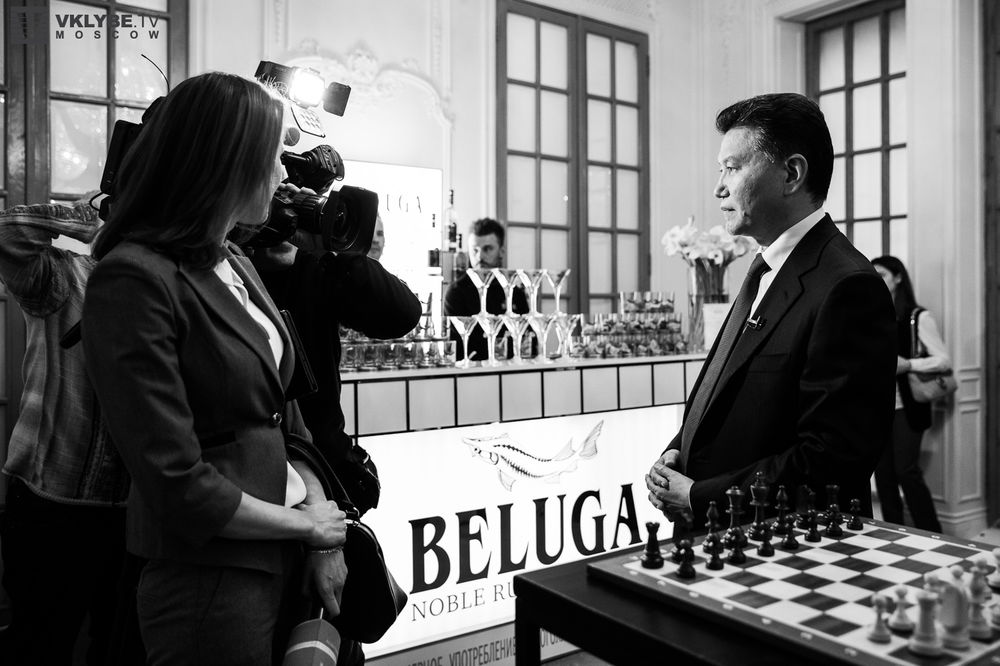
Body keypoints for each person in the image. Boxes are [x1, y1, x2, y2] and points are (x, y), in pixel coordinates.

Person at [81, 71, 348, 666]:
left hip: (283, 555)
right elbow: (174, 482)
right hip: (209, 578)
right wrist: (307, 528)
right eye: (272, 157)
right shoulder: (133, 278)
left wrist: (316, 523)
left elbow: (286, 417)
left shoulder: (232, 260)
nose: (282, 175)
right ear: (226, 162)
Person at [646, 93, 897, 529]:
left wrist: (700, 497)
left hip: (784, 548)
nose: (718, 187)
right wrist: (677, 452)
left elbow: (832, 459)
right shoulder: (765, 267)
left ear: (791, 174)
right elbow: (727, 393)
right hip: (725, 536)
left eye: (732, 168)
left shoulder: (847, 286)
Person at [249, 219, 421, 663]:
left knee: (329, 640)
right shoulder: (219, 271)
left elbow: (402, 312)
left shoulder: (312, 267)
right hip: (255, 499)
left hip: (319, 480)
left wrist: (318, 253)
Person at [0, 196, 134, 665]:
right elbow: (6, 234)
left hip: (134, 513)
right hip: (50, 507)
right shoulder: (64, 277)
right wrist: (94, 213)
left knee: (116, 648)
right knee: (38, 645)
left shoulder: (173, 291)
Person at [870, 255, 947, 533]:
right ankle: (893, 533)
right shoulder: (871, 315)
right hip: (878, 408)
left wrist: (909, 365)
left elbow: (943, 361)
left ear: (898, 277)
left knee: (906, 471)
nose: (877, 280)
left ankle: (931, 533)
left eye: (882, 275)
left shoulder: (918, 317)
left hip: (909, 406)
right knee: (884, 476)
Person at [442, 217, 528, 361]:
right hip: (472, 371)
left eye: (487, 249)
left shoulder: (514, 292)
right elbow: (456, 350)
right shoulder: (456, 292)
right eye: (474, 250)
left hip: (512, 370)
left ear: (501, 251)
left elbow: (528, 342)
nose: (480, 256)